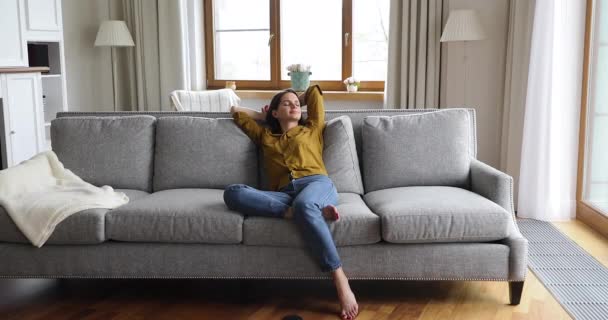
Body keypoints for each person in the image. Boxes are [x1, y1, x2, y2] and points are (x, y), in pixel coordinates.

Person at [223, 85, 358, 320]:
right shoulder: (264, 135)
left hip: (317, 184)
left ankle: (339, 277)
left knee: (305, 204)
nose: (294, 105)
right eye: (286, 103)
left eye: (296, 103)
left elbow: (314, 92)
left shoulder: (312, 129)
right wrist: (263, 116)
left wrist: (295, 98)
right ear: (274, 113)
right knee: (233, 193)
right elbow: (236, 111)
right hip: (284, 194)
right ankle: (295, 212)